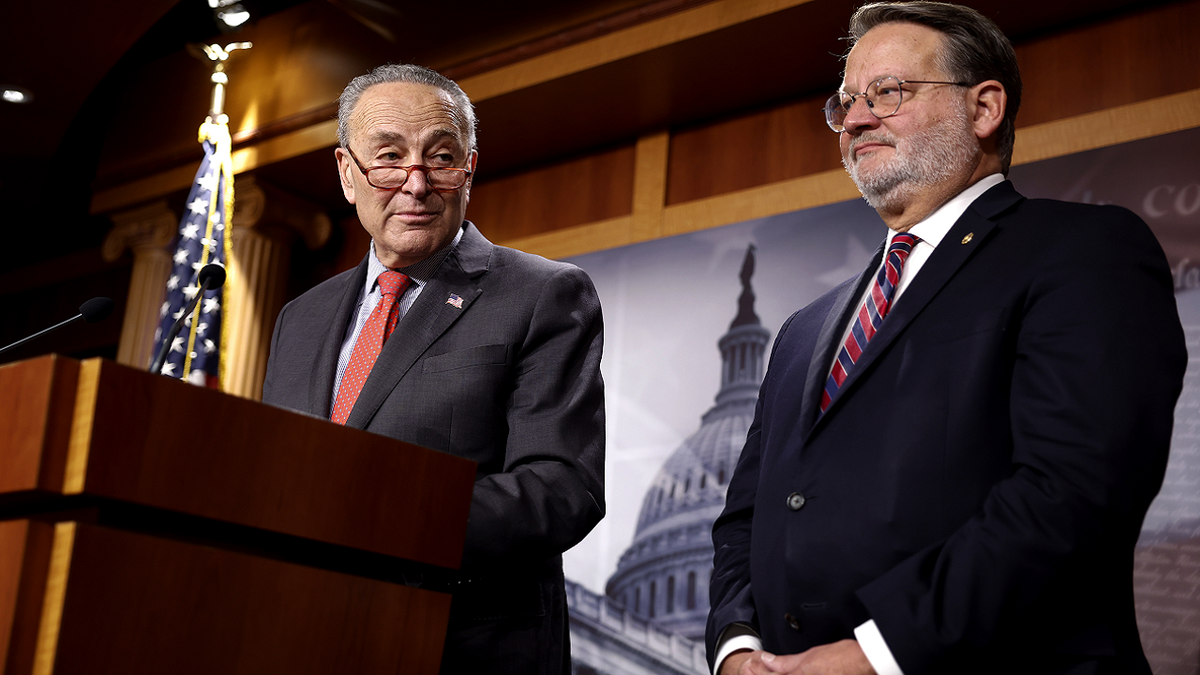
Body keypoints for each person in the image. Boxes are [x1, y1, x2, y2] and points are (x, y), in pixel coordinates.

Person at [705, 3, 1185, 675]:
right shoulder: (802, 330)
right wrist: (736, 645)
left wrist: (878, 651)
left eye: (886, 93)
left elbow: (1073, 492)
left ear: (984, 107)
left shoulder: (1083, 251)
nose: (855, 119)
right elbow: (745, 520)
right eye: (844, 103)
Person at [261, 64, 605, 675]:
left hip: (464, 646)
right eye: (389, 157)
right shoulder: (300, 317)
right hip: (303, 632)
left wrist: (375, 518)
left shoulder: (543, 293)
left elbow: (560, 487)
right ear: (348, 172)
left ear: (470, 168)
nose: (415, 185)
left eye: (441, 158)